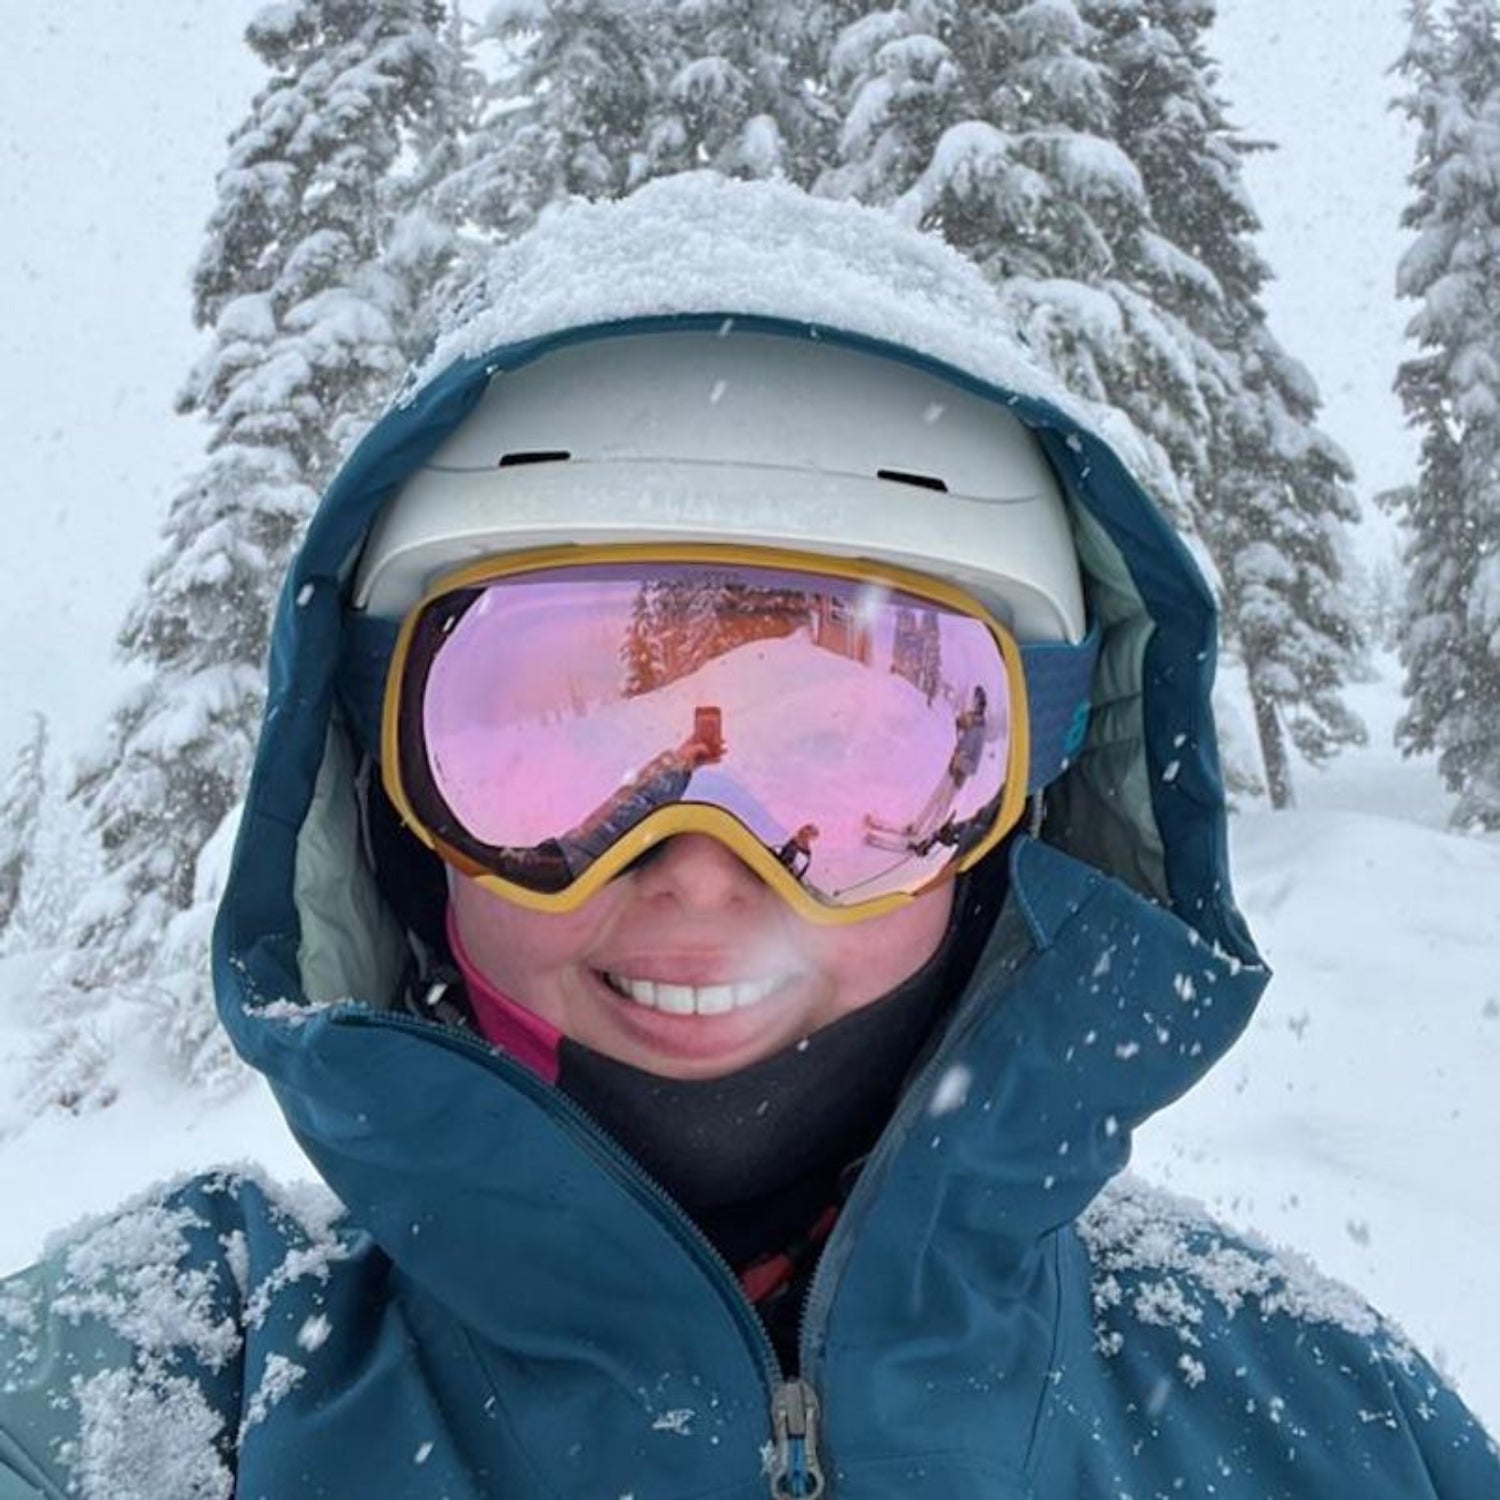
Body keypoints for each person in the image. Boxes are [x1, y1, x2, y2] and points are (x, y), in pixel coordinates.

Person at [1, 176, 1496, 1498]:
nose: (704, 861)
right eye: (560, 739)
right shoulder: (175, 1393)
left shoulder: (1317, 1424)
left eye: (851, 759)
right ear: (388, 807)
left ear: (1015, 819)